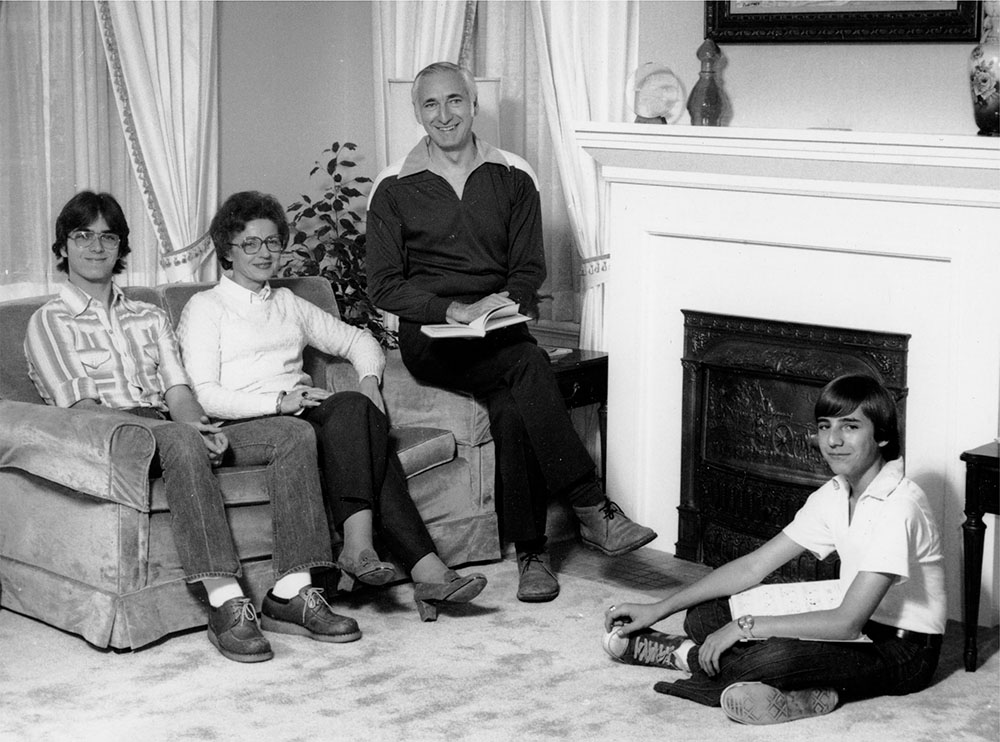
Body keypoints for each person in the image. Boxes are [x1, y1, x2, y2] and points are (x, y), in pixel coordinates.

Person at [366, 61, 657, 603]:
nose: (445, 114)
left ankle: (531, 555)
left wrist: (504, 305)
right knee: (530, 365)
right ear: (416, 113)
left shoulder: (514, 175)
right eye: (430, 104)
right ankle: (591, 505)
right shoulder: (393, 186)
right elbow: (383, 286)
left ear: (474, 105)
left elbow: (528, 267)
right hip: (431, 338)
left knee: (512, 403)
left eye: (455, 100)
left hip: (499, 328)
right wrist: (448, 309)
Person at [24, 191, 358, 664]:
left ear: (121, 248)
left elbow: (179, 392)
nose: (96, 246)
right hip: (110, 435)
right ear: (63, 248)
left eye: (108, 236)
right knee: (181, 440)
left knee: (292, 432)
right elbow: (82, 410)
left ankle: (291, 592)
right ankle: (224, 600)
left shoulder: (149, 315)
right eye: (82, 235)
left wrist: (199, 426)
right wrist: (181, 434)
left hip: (171, 425)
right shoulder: (48, 321)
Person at [176, 190, 487, 622]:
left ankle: (362, 550)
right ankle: (423, 568)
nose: (264, 253)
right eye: (250, 243)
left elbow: (360, 341)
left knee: (355, 408)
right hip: (247, 420)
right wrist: (278, 402)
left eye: (272, 242)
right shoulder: (205, 308)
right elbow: (204, 393)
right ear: (227, 250)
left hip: (302, 410)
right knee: (360, 430)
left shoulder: (287, 303)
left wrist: (368, 383)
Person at [603, 374, 946, 725]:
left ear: (883, 435)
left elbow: (845, 624)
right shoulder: (836, 493)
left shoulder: (899, 505)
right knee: (704, 616)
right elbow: (753, 567)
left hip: (902, 651)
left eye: (851, 426)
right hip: (852, 618)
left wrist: (743, 628)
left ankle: (683, 655)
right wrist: (659, 608)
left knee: (772, 657)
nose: (833, 440)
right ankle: (806, 692)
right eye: (825, 426)